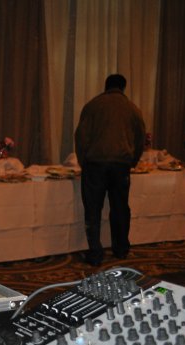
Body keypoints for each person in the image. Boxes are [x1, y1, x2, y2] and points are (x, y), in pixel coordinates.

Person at [75, 74, 146, 266]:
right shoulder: (132, 108)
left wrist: (83, 161)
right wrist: (132, 161)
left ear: (106, 86)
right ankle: (121, 249)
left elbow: (81, 136)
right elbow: (140, 138)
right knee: (120, 208)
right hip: (121, 164)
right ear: (123, 88)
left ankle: (95, 252)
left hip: (95, 164)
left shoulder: (92, 106)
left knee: (93, 209)